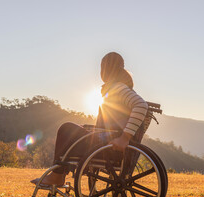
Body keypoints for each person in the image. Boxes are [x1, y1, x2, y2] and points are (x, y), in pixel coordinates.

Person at [31, 52, 148, 186]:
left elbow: (141, 105)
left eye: (102, 67)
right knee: (76, 129)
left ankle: (57, 176)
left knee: (66, 129)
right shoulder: (117, 87)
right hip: (108, 142)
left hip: (110, 146)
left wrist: (124, 138)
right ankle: (58, 174)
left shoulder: (118, 87)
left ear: (106, 68)